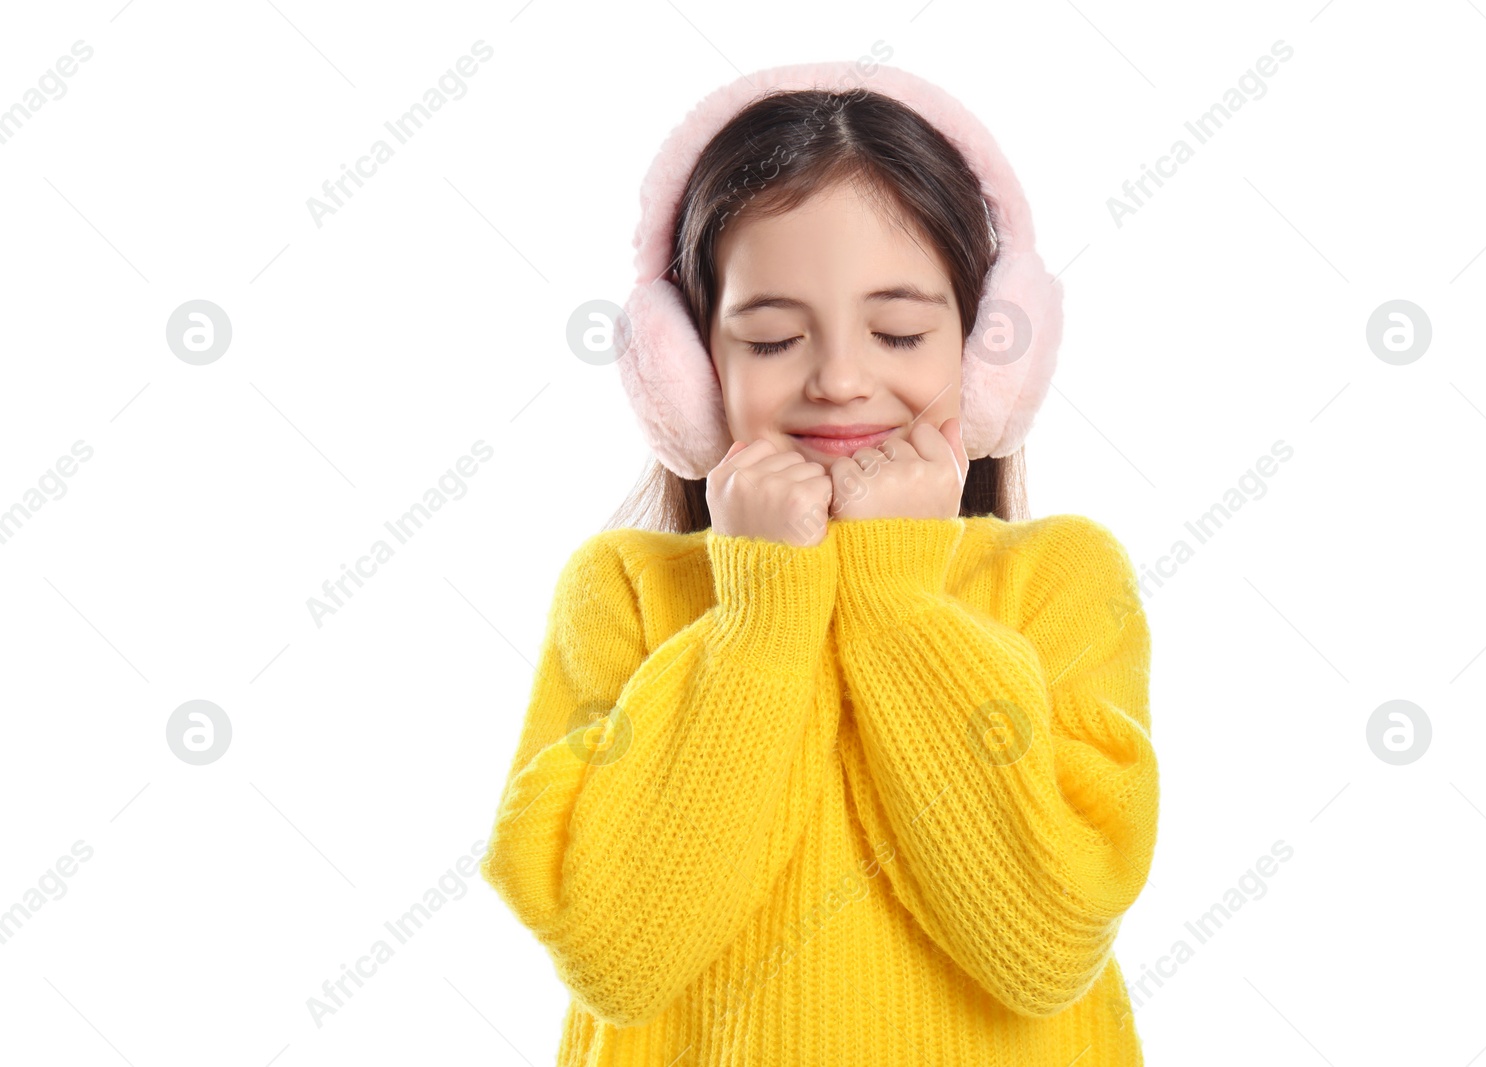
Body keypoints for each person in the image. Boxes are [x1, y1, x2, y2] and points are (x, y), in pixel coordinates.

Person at [479, 59, 1158, 1066]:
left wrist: (891, 589)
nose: (840, 380)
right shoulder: (623, 592)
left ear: (983, 359)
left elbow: (1043, 945)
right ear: (688, 373)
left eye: (897, 330)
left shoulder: (1062, 579)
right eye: (771, 337)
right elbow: (618, 954)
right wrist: (762, 612)